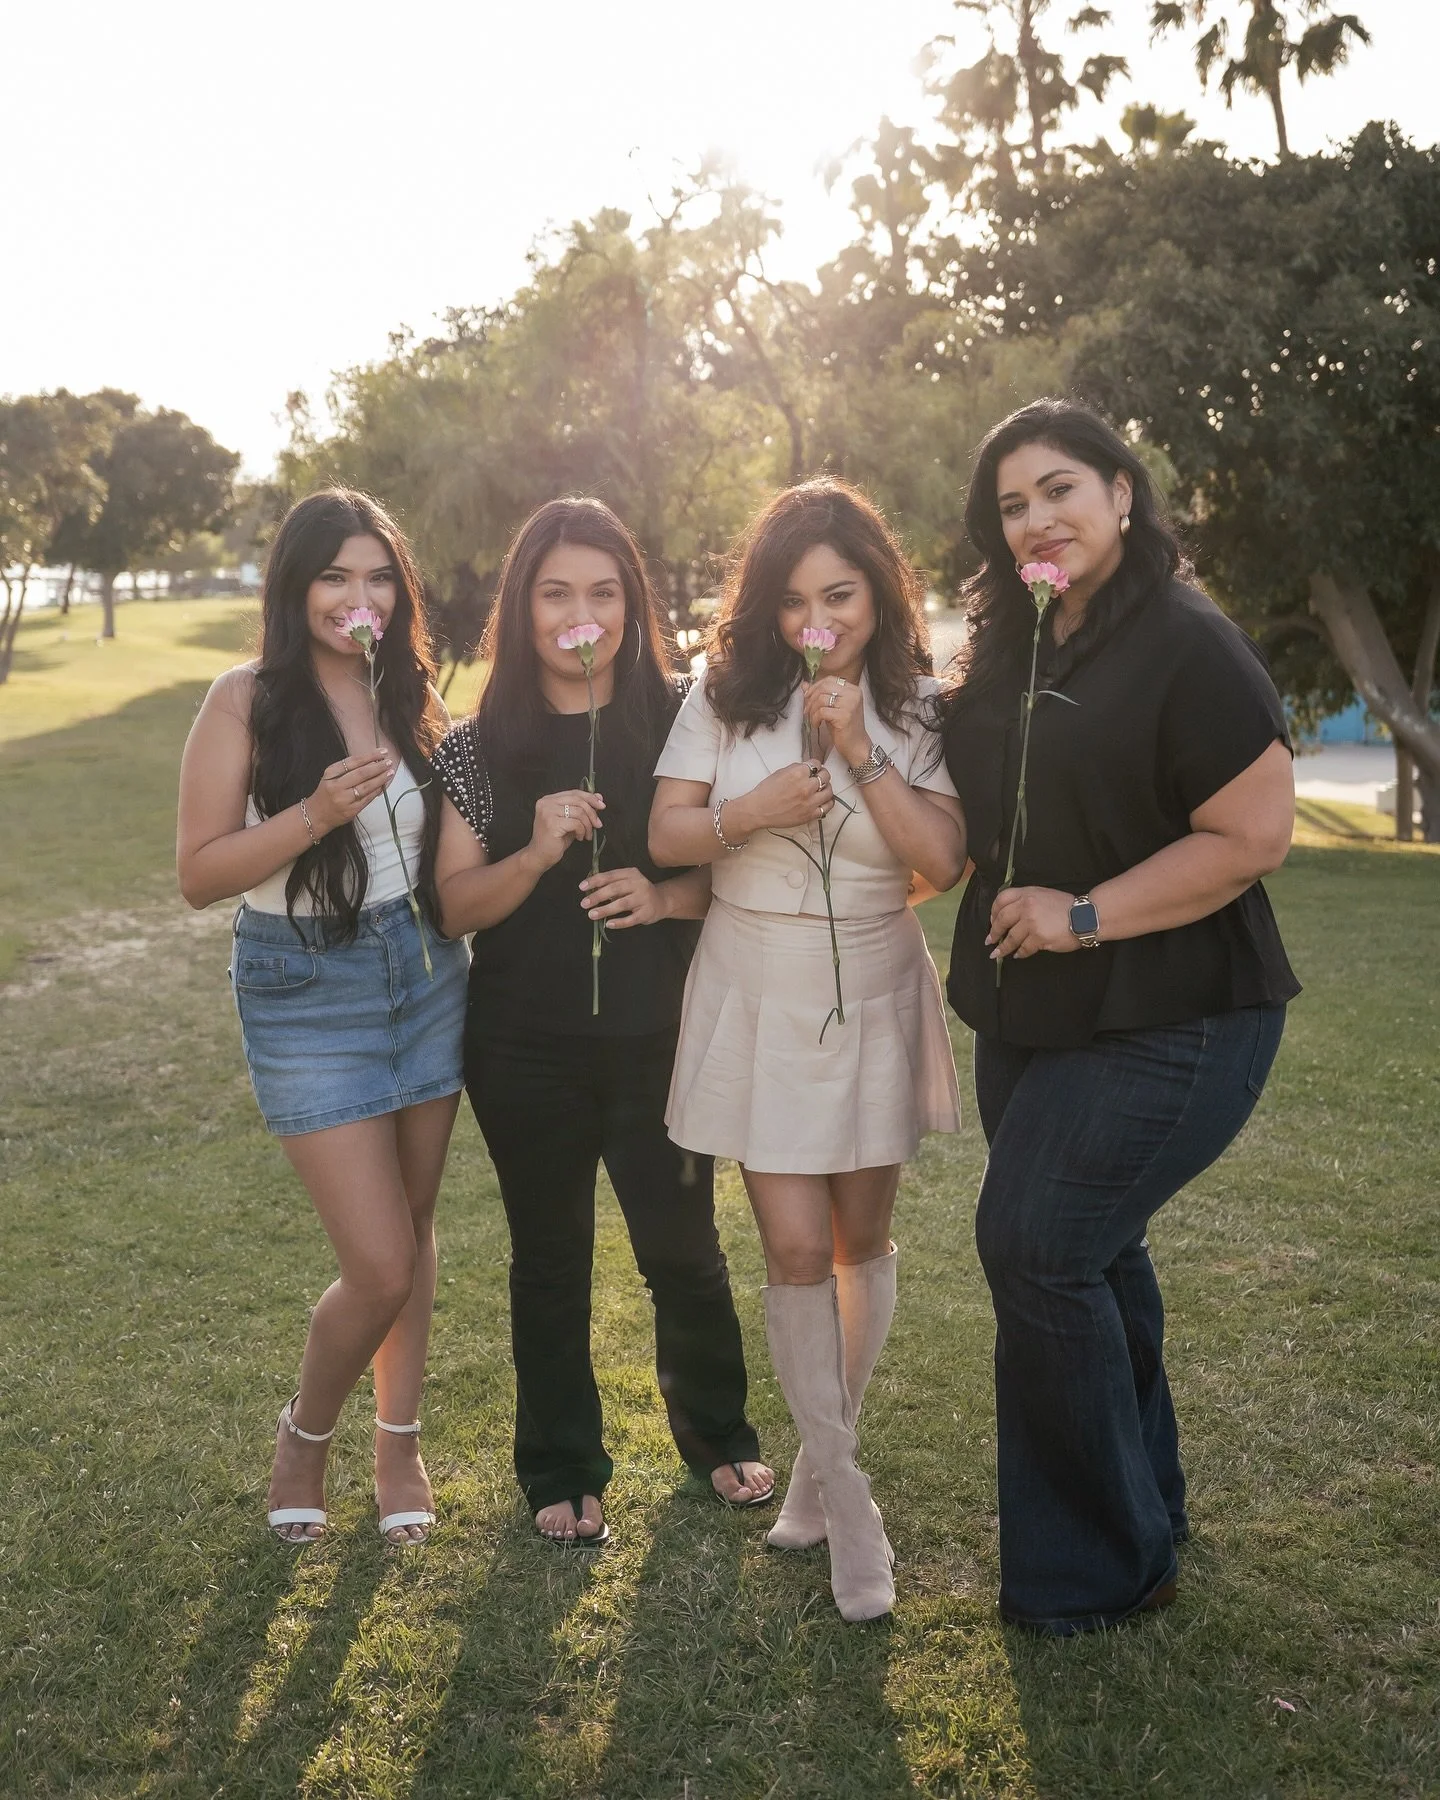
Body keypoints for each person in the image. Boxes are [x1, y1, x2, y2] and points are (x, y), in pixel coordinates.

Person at [938, 397, 1300, 1634]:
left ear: (1122, 495)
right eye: (1012, 505)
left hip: (1176, 1009)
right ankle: (1146, 1502)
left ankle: (1102, 1564)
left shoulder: (1188, 643)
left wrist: (1083, 914)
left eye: (1060, 490)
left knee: (1036, 1242)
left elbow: (1255, 837)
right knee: (1091, 1250)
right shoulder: (1013, 643)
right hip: (1028, 1011)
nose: (1037, 518)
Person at [649, 479, 966, 1622]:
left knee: (855, 1238)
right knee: (789, 1246)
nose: (815, 620)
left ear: (878, 594)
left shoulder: (928, 709)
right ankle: (849, 1503)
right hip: (756, 980)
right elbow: (667, 829)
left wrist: (857, 750)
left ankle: (817, 1469)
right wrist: (759, 811)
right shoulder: (720, 697)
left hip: (874, 981)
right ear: (766, 609)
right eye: (792, 602)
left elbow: (946, 858)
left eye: (838, 595)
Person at [431, 497, 773, 1548]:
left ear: (632, 602)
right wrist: (533, 855)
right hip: (520, 1045)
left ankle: (717, 1436)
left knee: (683, 1249)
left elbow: (749, 877)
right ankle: (562, 1465)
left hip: (658, 1035)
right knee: (549, 1259)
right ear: (521, 608)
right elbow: (452, 907)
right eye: (556, 594)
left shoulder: (684, 714)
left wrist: (663, 898)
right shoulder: (476, 743)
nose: (582, 615)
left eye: (603, 592)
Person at [177, 488, 470, 1546]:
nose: (361, 600)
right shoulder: (245, 698)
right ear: (297, 589)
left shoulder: (412, 694)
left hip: (427, 971)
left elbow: (456, 830)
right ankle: (307, 1431)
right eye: (337, 578)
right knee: (379, 1258)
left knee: (417, 1230)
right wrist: (313, 815)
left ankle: (401, 1441)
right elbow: (200, 874)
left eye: (380, 577)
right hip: (306, 988)